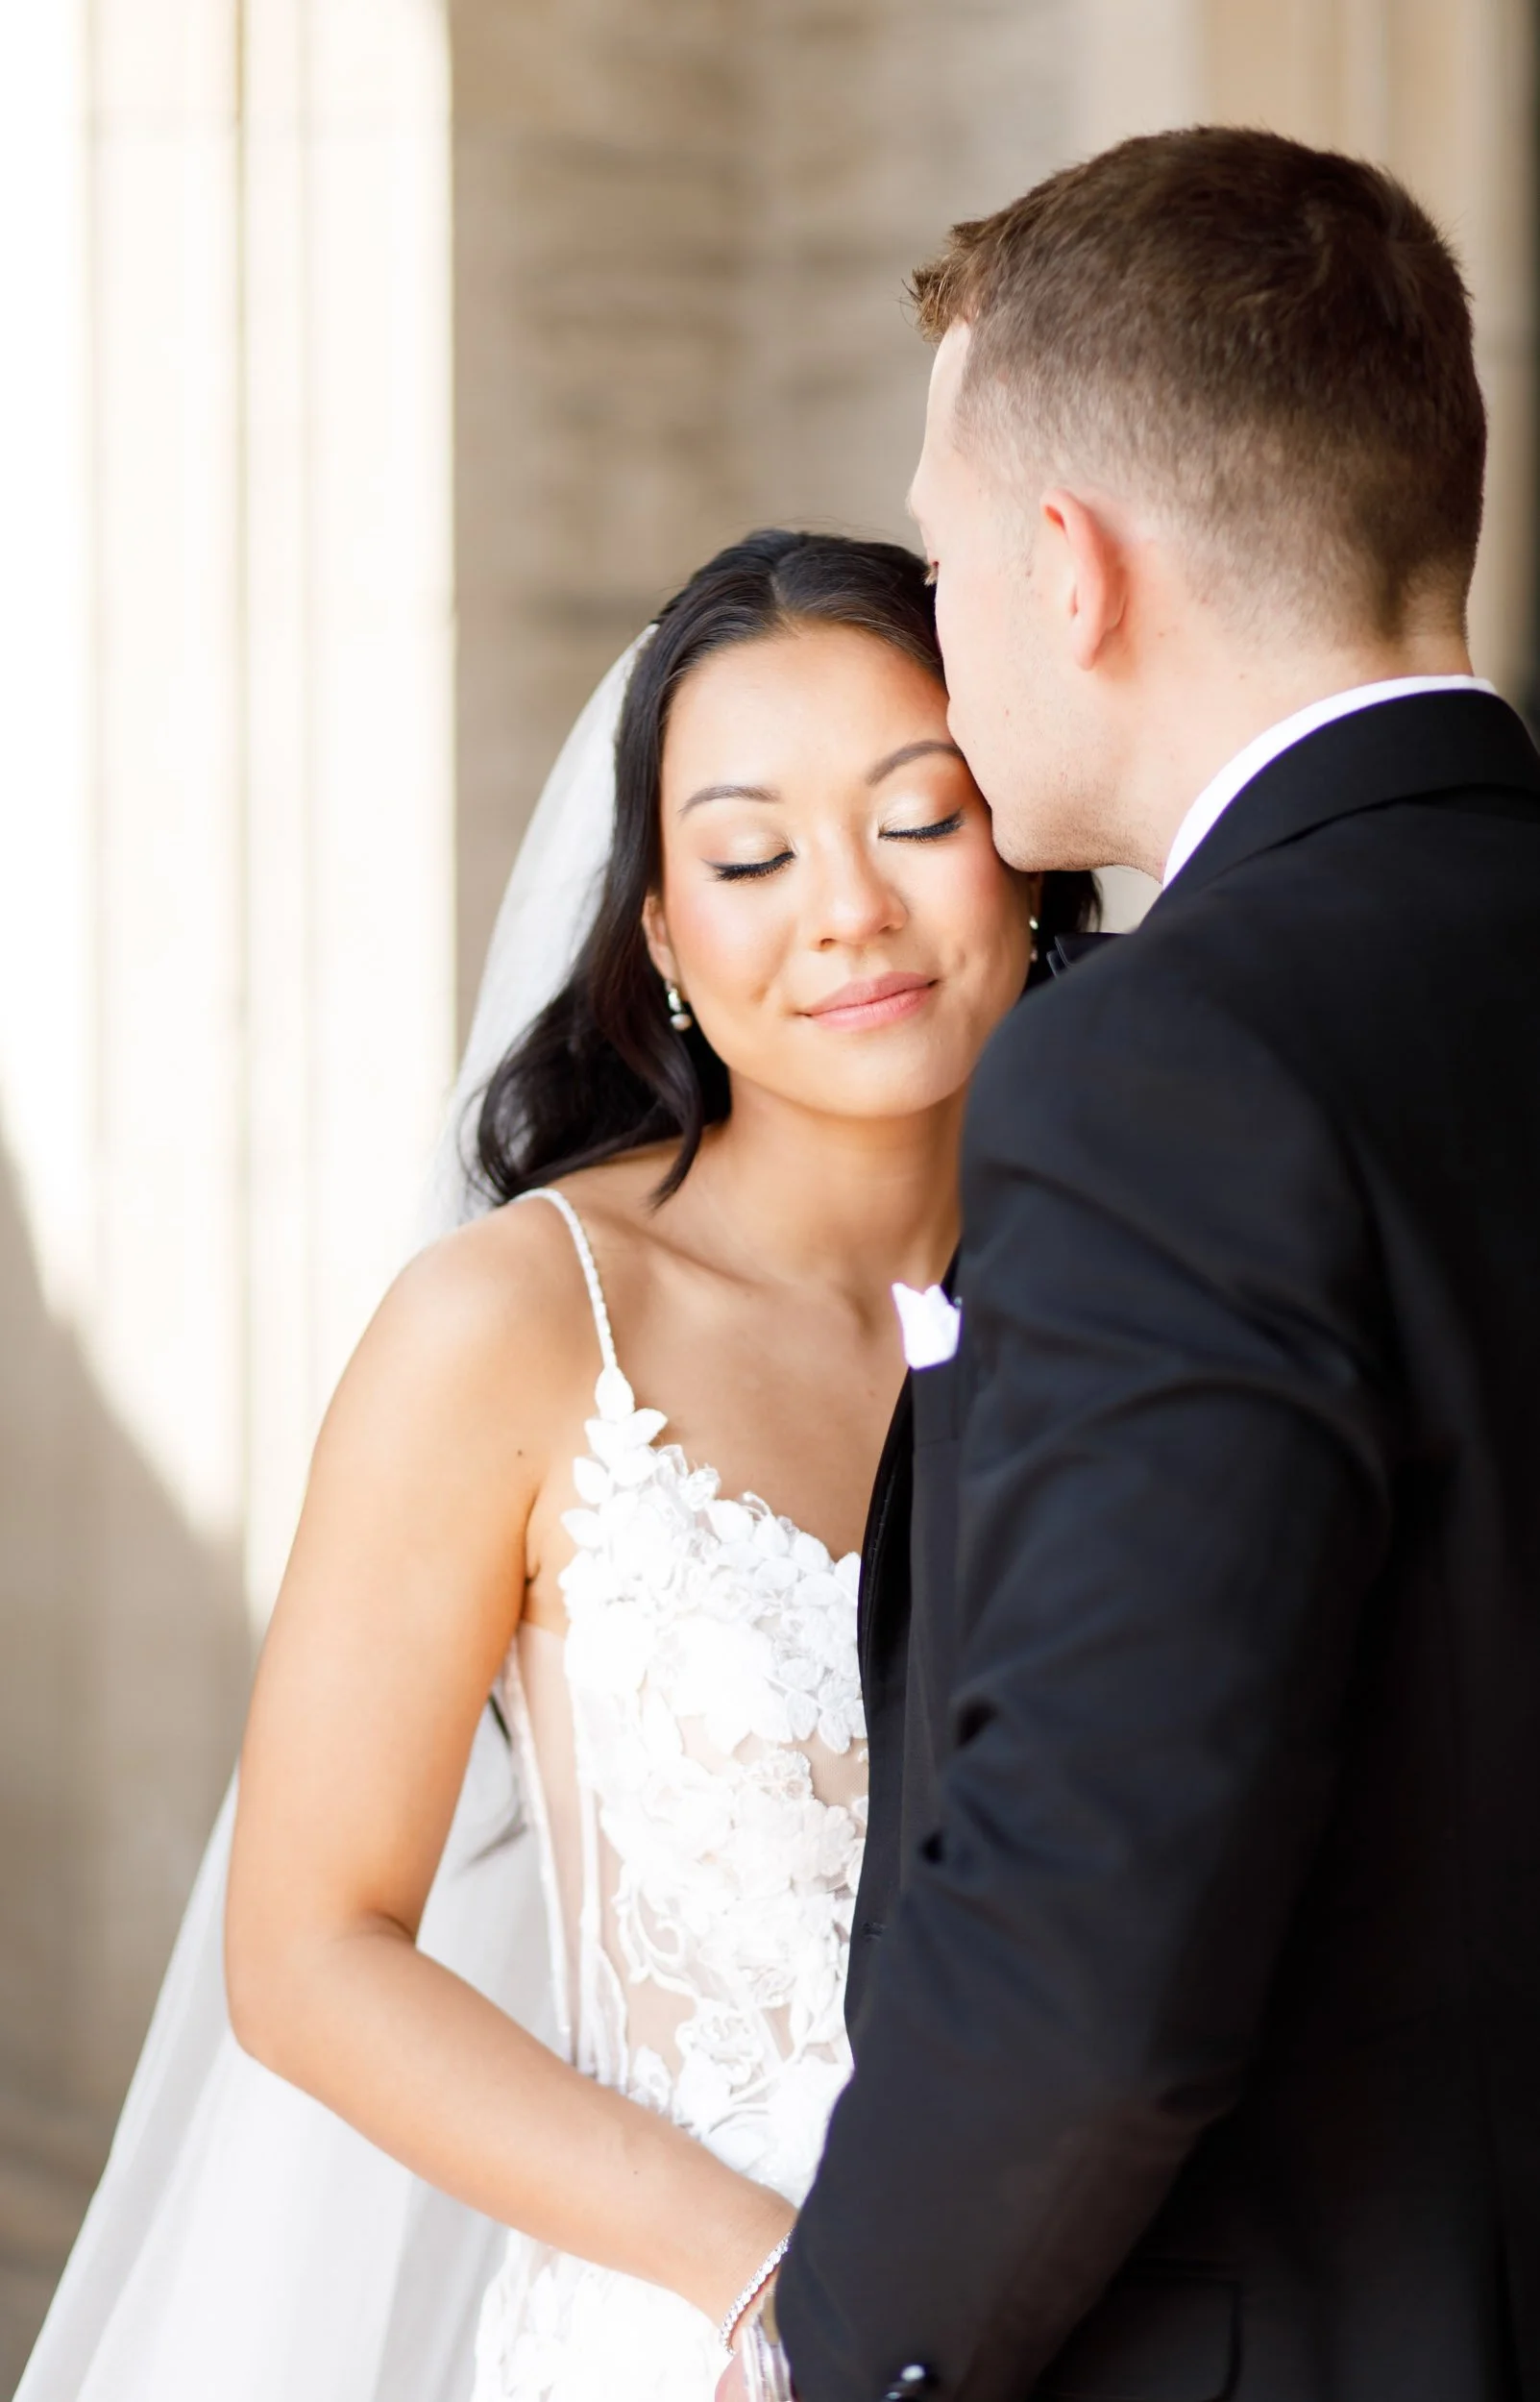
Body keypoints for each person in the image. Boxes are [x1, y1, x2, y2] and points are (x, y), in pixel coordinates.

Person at [15, 528, 1094, 2402]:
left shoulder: (1131, 1299)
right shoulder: (517, 1324)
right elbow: (309, 1948)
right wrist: (774, 2292)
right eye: (752, 854)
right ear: (664, 933)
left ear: (1027, 854)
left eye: (918, 816)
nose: (844, 906)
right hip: (700, 2336)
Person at [762, 129, 1540, 2402]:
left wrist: (853, 2349)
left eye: (941, 555)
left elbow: (1093, 1925)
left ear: (1068, 569)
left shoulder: (1164, 1065)